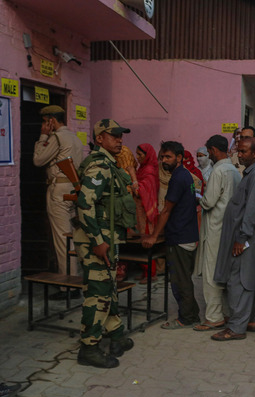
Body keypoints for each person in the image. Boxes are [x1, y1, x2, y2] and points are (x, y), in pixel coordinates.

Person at [74, 119, 135, 368]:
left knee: (108, 288)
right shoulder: (99, 166)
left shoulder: (109, 164)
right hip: (96, 241)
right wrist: (98, 241)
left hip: (106, 239)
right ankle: (89, 348)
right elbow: (85, 204)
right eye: (114, 136)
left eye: (121, 136)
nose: (120, 140)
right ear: (100, 138)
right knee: (98, 294)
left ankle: (117, 335)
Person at [211, 137, 255, 341]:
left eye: (243, 152)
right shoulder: (251, 173)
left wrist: (241, 238)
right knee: (246, 280)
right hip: (242, 238)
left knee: (239, 282)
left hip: (244, 239)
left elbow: (251, 211)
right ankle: (250, 321)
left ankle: (236, 328)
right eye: (239, 151)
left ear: (254, 154)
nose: (239, 154)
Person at [143, 141, 201, 330]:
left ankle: (186, 318)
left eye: (168, 157)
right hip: (186, 233)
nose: (164, 160)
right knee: (183, 278)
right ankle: (192, 313)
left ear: (179, 157)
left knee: (180, 280)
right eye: (162, 157)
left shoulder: (178, 178)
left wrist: (153, 236)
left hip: (180, 235)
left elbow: (166, 210)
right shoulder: (184, 175)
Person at [33, 105, 83, 300]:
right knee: (71, 238)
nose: (44, 126)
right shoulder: (75, 138)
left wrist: (42, 137)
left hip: (59, 190)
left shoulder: (57, 138)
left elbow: (38, 160)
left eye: (45, 122)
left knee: (62, 240)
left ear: (51, 121)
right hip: (72, 188)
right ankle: (75, 281)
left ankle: (68, 287)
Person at [194, 135, 241, 332]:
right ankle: (226, 312)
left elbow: (208, 202)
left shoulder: (218, 171)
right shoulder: (234, 171)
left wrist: (198, 197)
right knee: (224, 273)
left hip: (215, 228)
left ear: (213, 150)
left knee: (211, 273)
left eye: (208, 151)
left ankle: (214, 316)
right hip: (229, 229)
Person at [135, 143, 159, 236]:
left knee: (146, 234)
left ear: (147, 155)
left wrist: (133, 176)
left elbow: (139, 191)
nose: (137, 157)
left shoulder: (149, 170)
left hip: (145, 208)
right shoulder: (142, 168)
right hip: (140, 208)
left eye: (140, 154)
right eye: (136, 154)